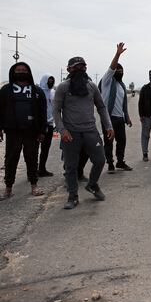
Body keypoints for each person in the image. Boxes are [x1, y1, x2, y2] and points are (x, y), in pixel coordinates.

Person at [54, 55, 114, 209]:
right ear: (69, 69)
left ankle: (92, 184)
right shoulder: (63, 87)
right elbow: (56, 111)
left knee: (100, 160)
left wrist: (108, 126)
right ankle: (73, 196)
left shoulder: (92, 86)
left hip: (90, 131)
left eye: (83, 66)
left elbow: (101, 107)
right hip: (71, 133)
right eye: (76, 67)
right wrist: (62, 130)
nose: (80, 69)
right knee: (71, 167)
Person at [0, 62, 47, 200]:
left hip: (32, 131)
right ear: (13, 72)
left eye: (24, 70)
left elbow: (43, 112)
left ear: (28, 72)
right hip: (13, 131)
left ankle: (34, 185)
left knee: (32, 158)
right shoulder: (6, 90)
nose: (21, 72)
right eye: (18, 70)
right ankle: (8, 188)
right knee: (11, 159)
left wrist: (42, 131)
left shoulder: (37, 91)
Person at [99, 43, 132, 173]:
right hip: (108, 117)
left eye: (121, 71)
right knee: (109, 142)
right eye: (118, 70)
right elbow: (112, 68)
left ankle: (120, 162)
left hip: (119, 118)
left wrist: (127, 117)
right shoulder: (107, 81)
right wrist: (117, 55)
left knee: (122, 141)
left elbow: (123, 104)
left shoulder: (121, 85)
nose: (120, 72)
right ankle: (110, 164)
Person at [38, 74, 56, 176]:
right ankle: (32, 171)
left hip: (49, 124)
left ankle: (42, 168)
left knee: (46, 148)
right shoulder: (38, 92)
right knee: (34, 149)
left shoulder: (53, 92)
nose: (51, 83)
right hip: (38, 124)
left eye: (52, 81)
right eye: (49, 80)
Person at [138, 69, 151, 161]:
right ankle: (145, 154)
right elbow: (140, 102)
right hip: (146, 117)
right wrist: (141, 115)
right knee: (145, 136)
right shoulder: (144, 88)